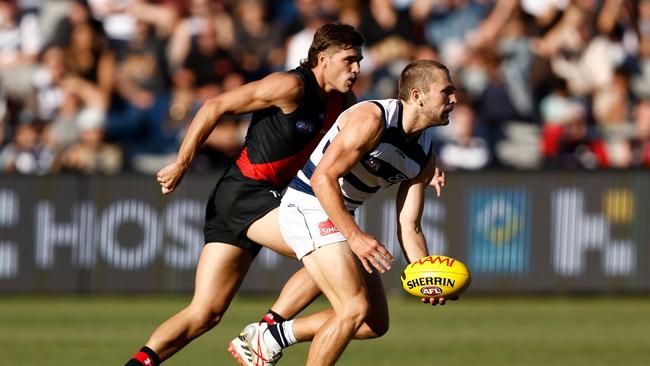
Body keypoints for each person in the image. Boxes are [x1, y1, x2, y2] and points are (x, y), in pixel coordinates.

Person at [123, 22, 364, 366]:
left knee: (205, 313)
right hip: (244, 195)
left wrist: (423, 168)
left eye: (359, 61)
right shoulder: (290, 85)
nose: (356, 69)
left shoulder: (343, 102)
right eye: (349, 60)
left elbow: (374, 136)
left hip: (253, 201)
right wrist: (181, 163)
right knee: (332, 244)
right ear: (323, 59)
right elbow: (213, 106)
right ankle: (268, 331)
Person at [229, 59, 457, 366]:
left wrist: (425, 273)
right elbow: (322, 178)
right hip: (308, 203)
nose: (454, 100)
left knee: (374, 323)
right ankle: (269, 336)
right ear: (418, 96)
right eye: (446, 92)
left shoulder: (425, 153)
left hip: (336, 214)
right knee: (353, 309)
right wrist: (355, 237)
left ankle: (270, 337)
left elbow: (409, 225)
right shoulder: (373, 119)